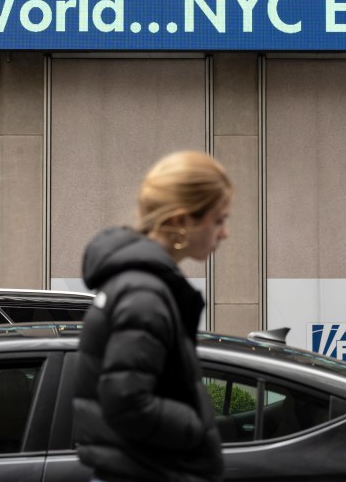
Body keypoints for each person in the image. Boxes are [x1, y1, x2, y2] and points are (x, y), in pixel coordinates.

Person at [73, 151, 231, 482]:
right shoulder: (144, 293)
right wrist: (196, 426)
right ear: (179, 222)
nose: (224, 233)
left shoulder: (137, 284)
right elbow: (127, 401)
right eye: (218, 220)